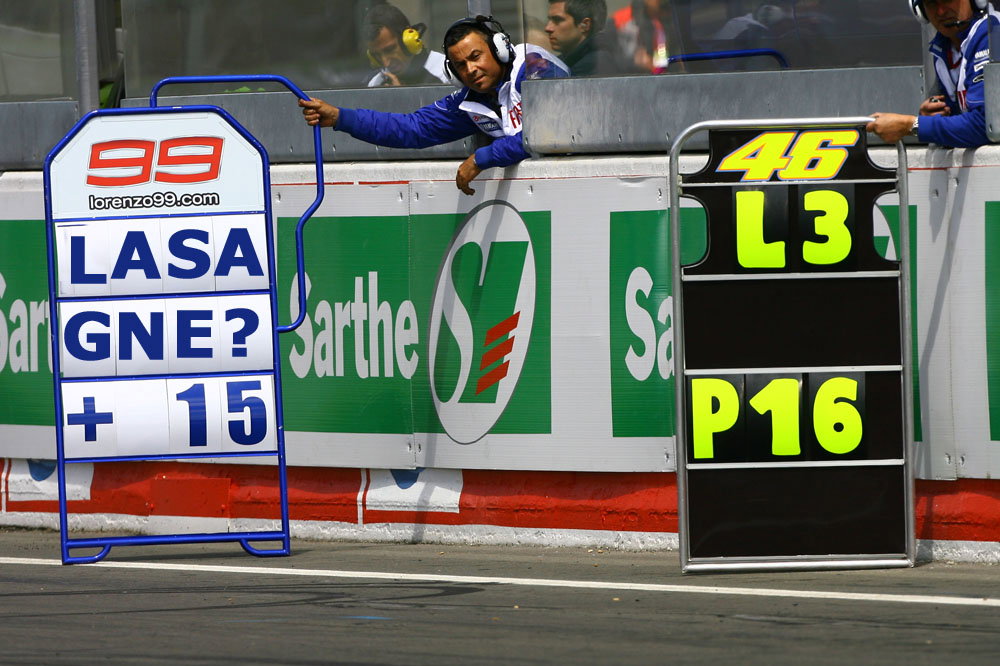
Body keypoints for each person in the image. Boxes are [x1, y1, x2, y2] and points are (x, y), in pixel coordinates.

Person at [299, 16, 569, 195]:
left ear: (499, 49)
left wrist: (481, 158)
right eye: (461, 65)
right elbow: (411, 129)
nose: (471, 69)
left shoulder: (533, 66)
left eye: (476, 57)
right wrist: (339, 117)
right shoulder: (469, 99)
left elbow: (547, 134)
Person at [867, 0, 1000, 146]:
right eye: (931, 4)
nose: (941, 11)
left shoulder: (994, 33)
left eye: (947, 0)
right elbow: (963, 124)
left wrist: (912, 125)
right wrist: (932, 117)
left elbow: (988, 127)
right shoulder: (944, 47)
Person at [363, 3, 449, 87]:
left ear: (408, 40)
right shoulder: (375, 83)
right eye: (377, 55)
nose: (386, 63)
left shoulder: (448, 72)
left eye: (390, 50)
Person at [544, 0, 618, 76]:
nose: (547, 28)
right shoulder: (566, 61)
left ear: (585, 25)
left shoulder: (596, 64)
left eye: (557, 20)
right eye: (549, 20)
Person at [611, 0, 675, 74]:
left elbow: (661, 60)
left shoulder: (662, 24)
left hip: (654, 77)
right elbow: (612, 57)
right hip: (624, 77)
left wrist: (654, 67)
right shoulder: (620, 19)